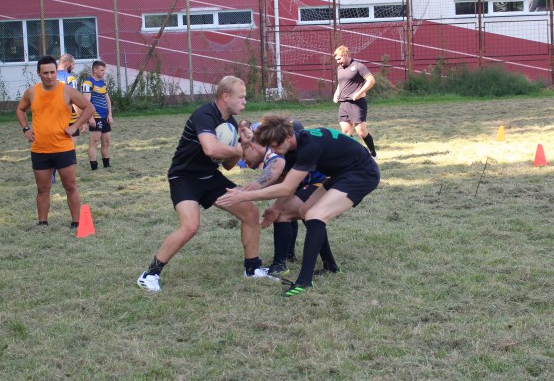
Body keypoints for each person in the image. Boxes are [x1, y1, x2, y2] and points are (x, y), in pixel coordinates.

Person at [217, 115, 380, 297]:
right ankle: (330, 266)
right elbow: (291, 183)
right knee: (304, 211)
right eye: (270, 147)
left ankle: (305, 281)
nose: (275, 151)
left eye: (276, 146)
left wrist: (244, 195)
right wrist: (276, 209)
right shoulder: (293, 147)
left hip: (362, 174)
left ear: (288, 136)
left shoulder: (308, 146)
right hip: (342, 174)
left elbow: (285, 187)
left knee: (316, 215)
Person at [137, 76, 270, 293]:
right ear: (226, 97)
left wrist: (243, 146)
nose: (245, 101)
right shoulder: (205, 114)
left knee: (251, 212)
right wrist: (238, 149)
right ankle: (149, 274)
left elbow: (227, 165)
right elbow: (210, 149)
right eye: (241, 97)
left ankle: (252, 268)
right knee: (190, 226)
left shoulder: (231, 124)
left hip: (209, 177)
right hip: (184, 177)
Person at [239, 120, 339, 277]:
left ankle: (280, 263)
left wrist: (253, 189)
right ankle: (327, 264)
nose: (244, 161)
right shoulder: (273, 148)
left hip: (323, 181)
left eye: (243, 155)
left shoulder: (272, 151)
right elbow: (285, 183)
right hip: (317, 180)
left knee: (284, 213)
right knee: (306, 216)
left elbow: (277, 172)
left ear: (251, 146)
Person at [15, 56, 96, 228]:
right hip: (40, 149)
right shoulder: (32, 92)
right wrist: (26, 129)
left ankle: (76, 222)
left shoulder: (66, 91)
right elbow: (20, 110)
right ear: (39, 73)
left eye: (52, 72)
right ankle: (42, 223)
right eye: (45, 73)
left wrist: (75, 126)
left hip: (63, 148)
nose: (50, 76)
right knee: (43, 189)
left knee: (70, 185)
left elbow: (89, 108)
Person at [332, 45, 377, 157]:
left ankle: (373, 153)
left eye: (339, 59)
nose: (338, 62)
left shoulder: (358, 66)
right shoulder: (340, 69)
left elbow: (371, 80)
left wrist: (359, 92)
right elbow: (341, 83)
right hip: (344, 104)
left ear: (345, 55)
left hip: (357, 104)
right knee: (346, 132)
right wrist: (337, 93)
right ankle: (351, 156)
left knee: (361, 131)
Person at [82, 60, 113, 170]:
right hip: (96, 117)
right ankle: (94, 167)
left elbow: (107, 100)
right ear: (95, 70)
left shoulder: (104, 83)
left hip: (105, 117)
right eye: (102, 70)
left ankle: (106, 164)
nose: (104, 72)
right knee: (94, 142)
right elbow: (86, 102)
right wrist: (90, 117)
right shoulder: (88, 83)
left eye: (104, 70)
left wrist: (110, 115)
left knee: (106, 141)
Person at [57, 53, 84, 147]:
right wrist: (80, 120)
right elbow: (75, 100)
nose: (73, 68)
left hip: (53, 118)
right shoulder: (70, 78)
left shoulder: (50, 77)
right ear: (67, 63)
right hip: (69, 118)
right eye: (73, 64)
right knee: (70, 150)